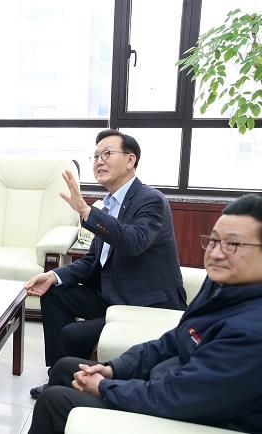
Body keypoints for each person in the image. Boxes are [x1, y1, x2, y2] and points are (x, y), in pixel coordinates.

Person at [29, 193, 262, 434]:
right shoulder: (222, 286)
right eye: (213, 241)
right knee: (65, 367)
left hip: (189, 412)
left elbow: (184, 396)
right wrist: (114, 369)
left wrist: (104, 387)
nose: (216, 253)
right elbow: (174, 340)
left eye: (233, 244)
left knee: (54, 402)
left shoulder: (251, 331)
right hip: (167, 381)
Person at [25, 129, 186, 398]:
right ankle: (59, 376)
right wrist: (54, 275)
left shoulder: (151, 200)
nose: (99, 161)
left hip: (143, 306)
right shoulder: (108, 205)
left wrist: (86, 211)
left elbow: (133, 241)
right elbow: (92, 262)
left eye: (107, 154)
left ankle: (75, 380)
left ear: (131, 160)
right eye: (96, 156)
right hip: (113, 297)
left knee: (72, 334)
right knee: (54, 293)